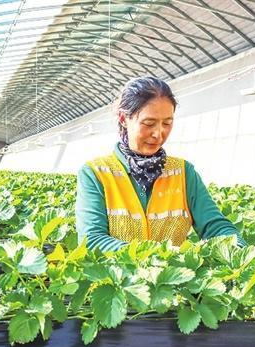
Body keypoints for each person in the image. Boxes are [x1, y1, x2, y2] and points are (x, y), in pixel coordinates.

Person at [76, 77, 245, 252]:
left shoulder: (184, 172)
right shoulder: (96, 173)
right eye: (149, 123)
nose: (158, 133)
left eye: (167, 123)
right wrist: (157, 256)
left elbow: (215, 226)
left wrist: (236, 247)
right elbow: (92, 240)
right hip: (123, 271)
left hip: (175, 269)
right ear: (123, 119)